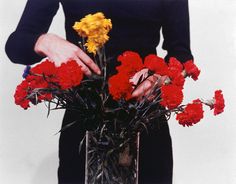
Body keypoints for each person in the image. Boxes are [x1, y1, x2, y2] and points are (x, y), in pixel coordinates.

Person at [5, 0, 193, 183]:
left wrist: (163, 78)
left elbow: (181, 53)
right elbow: (16, 46)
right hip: (84, 121)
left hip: (144, 119)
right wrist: (45, 41)